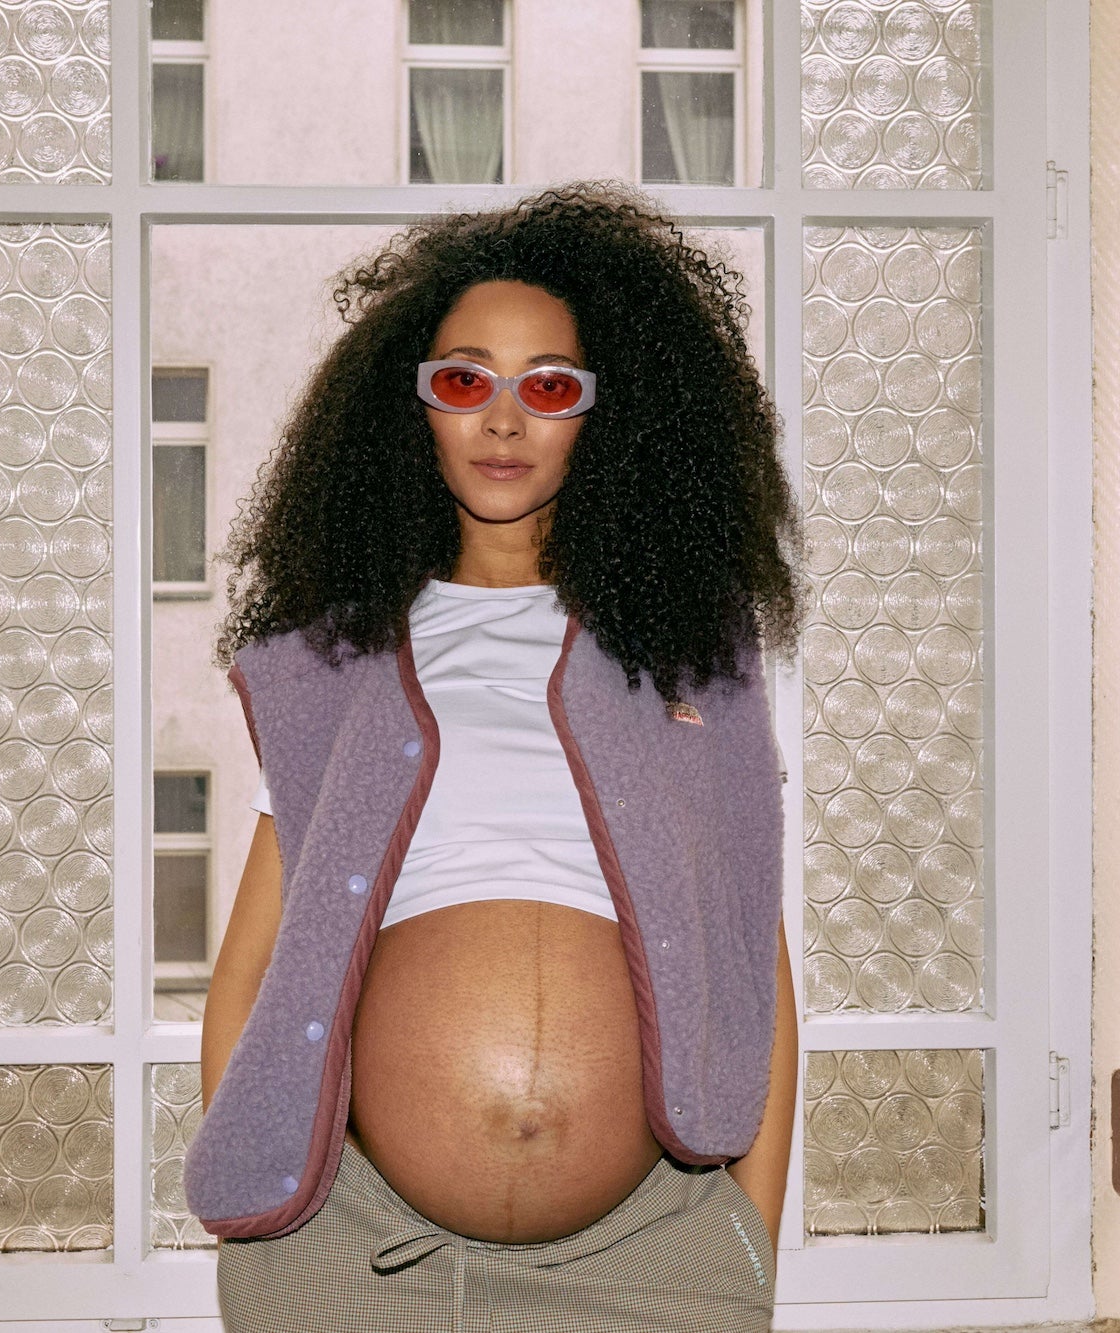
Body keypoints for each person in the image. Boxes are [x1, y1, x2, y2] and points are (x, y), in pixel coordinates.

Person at [190, 181, 804, 1332]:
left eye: (550, 386)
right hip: (352, 1250)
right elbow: (255, 964)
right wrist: (259, 1210)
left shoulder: (689, 657)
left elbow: (750, 964)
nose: (504, 419)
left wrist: (746, 1241)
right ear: (407, 408)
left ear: (606, 415)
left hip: (653, 1254)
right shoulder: (338, 660)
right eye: (465, 380)